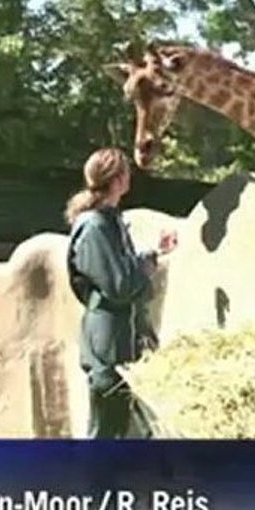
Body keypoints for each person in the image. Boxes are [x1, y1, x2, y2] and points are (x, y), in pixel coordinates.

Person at [64, 146, 177, 441]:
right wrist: (144, 271)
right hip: (107, 338)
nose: (130, 176)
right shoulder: (94, 226)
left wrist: (155, 254)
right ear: (115, 180)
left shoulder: (109, 219)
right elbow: (119, 284)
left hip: (121, 334)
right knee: (106, 427)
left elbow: (122, 269)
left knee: (123, 425)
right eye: (125, 171)